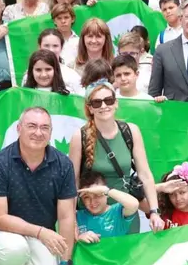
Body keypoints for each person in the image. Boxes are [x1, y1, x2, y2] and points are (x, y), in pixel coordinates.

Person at [0, 107, 81, 265]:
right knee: (15, 247)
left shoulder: (63, 164)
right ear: (19, 128)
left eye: (44, 127)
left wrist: (65, 264)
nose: (38, 132)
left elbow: (67, 217)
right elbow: (0, 218)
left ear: (51, 132)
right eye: (31, 126)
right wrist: (41, 232)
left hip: (37, 236)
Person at [68, 80, 164, 229]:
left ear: (116, 103)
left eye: (108, 100)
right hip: (92, 214)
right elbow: (72, 182)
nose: (104, 106)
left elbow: (145, 174)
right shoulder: (79, 137)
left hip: (125, 210)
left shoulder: (131, 131)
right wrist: (72, 221)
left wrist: (154, 211)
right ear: (90, 108)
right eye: (97, 103)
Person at [75, 170, 140, 242]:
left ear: (106, 195)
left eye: (97, 195)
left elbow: (134, 205)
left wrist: (106, 191)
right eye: (86, 197)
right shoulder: (77, 216)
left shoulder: (117, 212)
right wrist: (78, 238)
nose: (92, 201)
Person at [30, 28, 83, 94]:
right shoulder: (29, 75)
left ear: (61, 47)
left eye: (55, 46)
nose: (51, 50)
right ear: (39, 47)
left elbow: (82, 100)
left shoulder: (72, 76)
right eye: (46, 45)